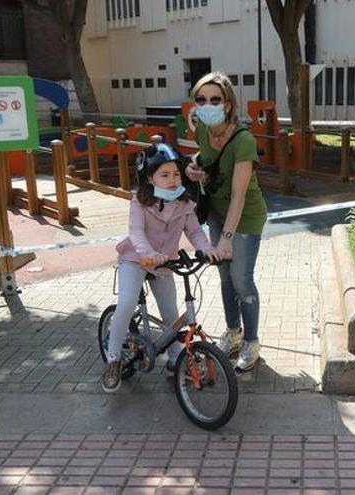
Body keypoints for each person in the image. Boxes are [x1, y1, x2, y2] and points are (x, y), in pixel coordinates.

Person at [101, 144, 216, 393]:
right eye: (164, 175)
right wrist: (148, 254)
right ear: (148, 178)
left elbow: (194, 230)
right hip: (136, 258)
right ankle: (113, 358)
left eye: (176, 174)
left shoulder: (185, 203)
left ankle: (176, 359)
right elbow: (136, 232)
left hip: (164, 262)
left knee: (171, 314)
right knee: (128, 302)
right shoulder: (139, 203)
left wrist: (206, 249)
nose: (173, 180)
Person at [184, 72, 268, 372]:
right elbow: (208, 165)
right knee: (223, 278)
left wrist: (226, 237)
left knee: (241, 279)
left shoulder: (243, 140)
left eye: (215, 100)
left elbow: (239, 194)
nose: (208, 105)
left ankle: (252, 341)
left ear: (229, 105)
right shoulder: (202, 131)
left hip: (245, 217)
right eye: (201, 99)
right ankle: (233, 332)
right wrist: (197, 170)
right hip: (217, 213)